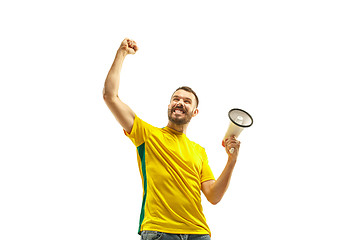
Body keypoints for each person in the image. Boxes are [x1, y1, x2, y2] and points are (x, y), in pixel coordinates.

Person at [103, 38, 241, 240]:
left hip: (199, 233)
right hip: (160, 231)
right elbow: (110, 96)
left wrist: (232, 160)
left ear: (194, 112)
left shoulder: (198, 151)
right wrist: (121, 54)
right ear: (169, 106)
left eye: (187, 101)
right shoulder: (146, 135)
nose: (180, 103)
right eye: (176, 99)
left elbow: (213, 195)